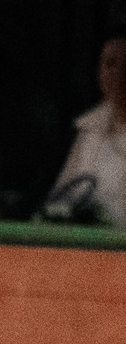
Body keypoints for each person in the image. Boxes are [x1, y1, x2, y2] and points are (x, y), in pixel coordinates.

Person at [42, 34, 126, 226]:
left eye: (119, 65)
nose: (111, 74)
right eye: (106, 65)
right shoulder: (88, 128)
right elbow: (63, 193)